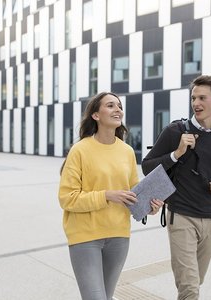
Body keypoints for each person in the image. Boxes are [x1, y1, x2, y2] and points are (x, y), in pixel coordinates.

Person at [58, 91, 164, 300]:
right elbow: (67, 198)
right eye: (110, 105)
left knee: (106, 297)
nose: (118, 110)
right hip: (85, 236)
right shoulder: (80, 150)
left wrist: (149, 206)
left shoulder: (126, 151)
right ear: (96, 115)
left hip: (118, 236)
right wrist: (106, 195)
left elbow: (133, 194)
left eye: (119, 106)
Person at [142, 75, 211, 299]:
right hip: (181, 216)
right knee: (189, 287)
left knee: (196, 280)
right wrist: (176, 154)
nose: (196, 103)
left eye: (202, 97)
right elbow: (147, 166)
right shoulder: (175, 131)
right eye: (193, 97)